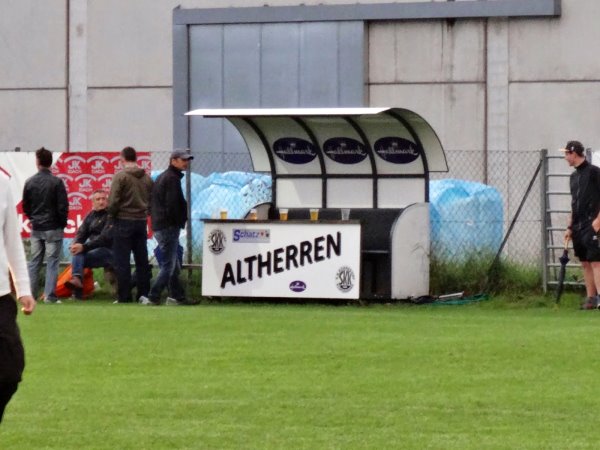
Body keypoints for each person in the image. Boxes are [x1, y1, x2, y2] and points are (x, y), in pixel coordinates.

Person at [0, 173, 36, 423]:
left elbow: (12, 239)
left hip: (1, 294)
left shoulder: (1, 183)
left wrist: (23, 287)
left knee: (10, 371)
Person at [140, 149, 194, 306]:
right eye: (183, 160)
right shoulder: (171, 178)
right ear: (173, 161)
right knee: (169, 265)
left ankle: (177, 296)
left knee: (173, 264)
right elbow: (172, 205)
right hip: (168, 226)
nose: (186, 162)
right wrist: (178, 221)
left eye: (187, 160)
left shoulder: (165, 177)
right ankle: (153, 296)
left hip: (161, 225)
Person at [22, 147, 69, 304]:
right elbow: (63, 206)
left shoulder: (30, 182)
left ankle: (30, 295)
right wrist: (61, 224)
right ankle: (49, 296)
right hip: (53, 228)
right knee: (52, 262)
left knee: (34, 262)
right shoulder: (56, 182)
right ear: (50, 163)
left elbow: (26, 206)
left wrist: (33, 218)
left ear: (37, 162)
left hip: (37, 227)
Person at [107, 146, 153, 303]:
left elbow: (113, 201)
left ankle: (124, 296)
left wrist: (111, 216)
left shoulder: (120, 177)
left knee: (122, 261)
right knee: (142, 260)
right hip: (141, 222)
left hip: (123, 221)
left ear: (122, 159)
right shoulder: (146, 178)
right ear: (136, 158)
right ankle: (144, 294)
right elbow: (151, 199)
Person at [561, 140, 600, 309]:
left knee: (596, 260)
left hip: (592, 222)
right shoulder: (574, 177)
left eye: (566, 154)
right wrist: (569, 226)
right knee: (584, 261)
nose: (565, 158)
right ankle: (591, 298)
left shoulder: (594, 172)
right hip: (578, 225)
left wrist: (598, 221)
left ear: (574, 153)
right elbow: (574, 203)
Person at [65, 189, 114, 299]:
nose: (101, 202)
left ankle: (77, 290)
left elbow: (104, 239)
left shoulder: (111, 215)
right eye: (98, 199)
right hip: (94, 250)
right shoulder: (90, 215)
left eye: (104, 199)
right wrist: (75, 244)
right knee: (78, 252)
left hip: (109, 250)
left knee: (79, 253)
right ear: (93, 202)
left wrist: (84, 247)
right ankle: (77, 283)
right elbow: (81, 232)